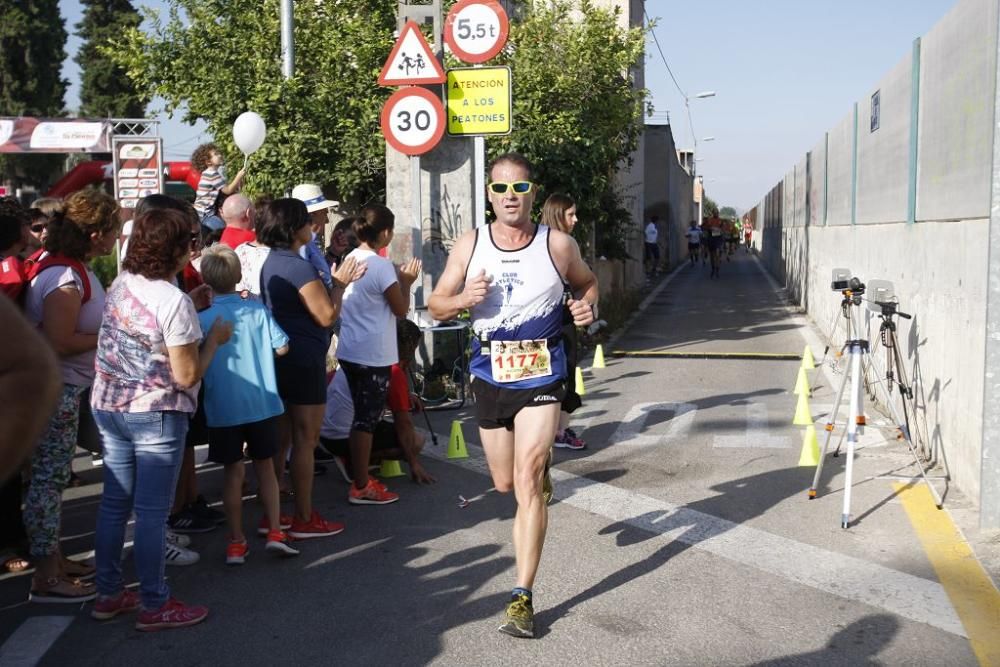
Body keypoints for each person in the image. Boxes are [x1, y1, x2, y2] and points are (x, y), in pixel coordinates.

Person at [429, 153, 598, 638]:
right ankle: (533, 481)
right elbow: (437, 304)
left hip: (543, 374)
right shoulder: (471, 244)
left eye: (519, 189)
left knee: (527, 476)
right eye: (501, 189)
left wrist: (585, 309)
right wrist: (464, 300)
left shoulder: (558, 244)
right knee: (504, 483)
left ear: (531, 193)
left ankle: (522, 597)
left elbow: (588, 285)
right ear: (489, 194)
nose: (510, 197)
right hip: (490, 372)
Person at [90, 206, 233, 630]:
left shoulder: (122, 283)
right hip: (155, 413)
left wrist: (189, 304)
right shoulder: (172, 300)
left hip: (110, 406)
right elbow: (187, 374)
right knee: (152, 514)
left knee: (115, 506)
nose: (195, 246)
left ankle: (109, 593)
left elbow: (143, 330)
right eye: (190, 240)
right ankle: (155, 604)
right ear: (173, 249)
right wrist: (214, 340)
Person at [23, 190, 120, 603]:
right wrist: (112, 335)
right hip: (56, 388)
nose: (117, 238)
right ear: (96, 234)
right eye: (114, 230)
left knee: (53, 478)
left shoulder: (69, 268)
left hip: (64, 387)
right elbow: (60, 341)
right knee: (48, 481)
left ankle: (55, 561)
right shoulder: (64, 276)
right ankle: (45, 576)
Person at [258, 198, 359, 538]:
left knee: (283, 437)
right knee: (305, 439)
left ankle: (273, 516)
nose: (313, 227)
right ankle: (303, 516)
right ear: (293, 227)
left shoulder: (271, 261)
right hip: (304, 357)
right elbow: (327, 315)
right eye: (306, 221)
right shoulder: (297, 266)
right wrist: (340, 285)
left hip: (282, 357)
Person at [196, 244, 299, 564]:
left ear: (205, 279)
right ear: (239, 275)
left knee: (232, 473)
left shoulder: (203, 318)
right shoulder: (256, 310)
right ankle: (275, 532)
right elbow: (282, 348)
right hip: (262, 402)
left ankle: (237, 541)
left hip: (223, 406)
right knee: (267, 468)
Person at [337, 204, 421, 505]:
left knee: (360, 417)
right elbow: (400, 310)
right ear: (384, 232)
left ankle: (360, 476)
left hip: (350, 349)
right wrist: (407, 283)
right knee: (366, 420)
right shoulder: (382, 265)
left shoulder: (350, 257)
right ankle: (361, 484)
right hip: (374, 354)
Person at [320, 318, 435, 485]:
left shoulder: (364, 354)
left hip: (324, 432)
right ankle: (355, 463)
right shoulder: (393, 370)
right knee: (417, 441)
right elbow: (404, 423)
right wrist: (414, 464)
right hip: (343, 436)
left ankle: (355, 458)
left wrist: (404, 394)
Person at [540, 193, 586, 451]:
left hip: (559, 317)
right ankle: (557, 431)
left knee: (559, 373)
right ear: (559, 215)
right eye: (571, 214)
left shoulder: (542, 241)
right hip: (553, 320)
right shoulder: (560, 243)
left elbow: (584, 282)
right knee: (561, 373)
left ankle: (556, 430)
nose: (576, 219)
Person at [191, 143, 244, 232]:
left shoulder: (207, 173)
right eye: (215, 154)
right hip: (205, 214)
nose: (219, 155)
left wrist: (238, 182)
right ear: (208, 161)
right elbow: (227, 190)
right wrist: (238, 176)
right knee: (225, 233)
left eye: (218, 153)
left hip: (199, 213)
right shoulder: (212, 174)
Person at [291, 183, 335, 289]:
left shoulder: (309, 244)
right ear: (312, 215)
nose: (327, 220)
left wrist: (334, 253)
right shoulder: (301, 246)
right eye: (325, 213)